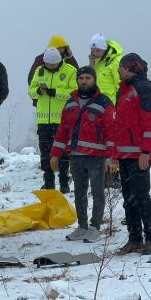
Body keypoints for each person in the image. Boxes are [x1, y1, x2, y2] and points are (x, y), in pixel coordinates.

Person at [50, 66, 116, 243]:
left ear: (94, 80)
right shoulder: (70, 102)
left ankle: (95, 228)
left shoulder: (104, 103)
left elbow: (111, 131)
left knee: (97, 192)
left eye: (88, 78)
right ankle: (82, 226)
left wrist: (111, 157)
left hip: (96, 156)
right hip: (76, 156)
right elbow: (63, 130)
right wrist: (55, 154)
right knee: (79, 191)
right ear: (77, 80)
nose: (84, 81)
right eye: (81, 78)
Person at [111, 53, 151, 255]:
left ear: (131, 68)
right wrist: (114, 153)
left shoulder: (143, 88)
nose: (118, 70)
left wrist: (146, 151)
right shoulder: (123, 90)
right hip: (124, 155)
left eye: (121, 67)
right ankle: (134, 239)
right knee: (128, 198)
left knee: (141, 197)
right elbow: (118, 126)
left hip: (139, 154)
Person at [29, 47, 78, 192]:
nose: (50, 67)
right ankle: (48, 181)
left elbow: (73, 93)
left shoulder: (70, 71)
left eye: (53, 64)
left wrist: (54, 92)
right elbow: (31, 90)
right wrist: (38, 91)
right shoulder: (40, 71)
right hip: (44, 120)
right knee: (46, 153)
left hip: (62, 120)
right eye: (48, 64)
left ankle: (64, 182)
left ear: (59, 61)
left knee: (63, 152)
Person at [27, 35, 80, 108]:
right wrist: (39, 91)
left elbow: (78, 77)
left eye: (62, 47)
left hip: (65, 104)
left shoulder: (68, 59)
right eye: (58, 47)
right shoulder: (41, 59)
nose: (60, 50)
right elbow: (32, 80)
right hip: (43, 104)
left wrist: (70, 58)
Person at [88, 34, 123, 103]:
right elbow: (89, 81)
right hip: (96, 101)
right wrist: (91, 65)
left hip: (110, 103)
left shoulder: (115, 61)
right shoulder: (97, 60)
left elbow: (120, 85)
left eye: (97, 51)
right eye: (92, 50)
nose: (94, 53)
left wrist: (119, 104)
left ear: (104, 49)